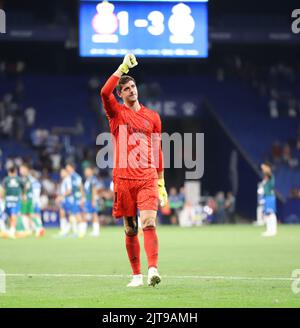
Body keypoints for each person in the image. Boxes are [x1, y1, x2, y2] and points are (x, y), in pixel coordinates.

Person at [100, 54, 168, 287]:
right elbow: (103, 92)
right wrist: (122, 67)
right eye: (126, 89)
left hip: (147, 178)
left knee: (149, 222)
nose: (131, 90)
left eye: (133, 86)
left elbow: (158, 150)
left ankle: (153, 270)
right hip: (123, 179)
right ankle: (137, 275)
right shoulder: (116, 113)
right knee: (130, 230)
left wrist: (161, 182)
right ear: (121, 94)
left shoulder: (153, 117)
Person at [2, 166, 24, 238]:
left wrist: (2, 198)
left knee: (9, 215)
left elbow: (2, 190)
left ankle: (10, 230)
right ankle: (12, 230)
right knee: (14, 215)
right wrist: (23, 195)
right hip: (16, 200)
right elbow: (24, 188)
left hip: (8, 200)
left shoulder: (6, 179)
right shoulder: (19, 179)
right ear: (15, 172)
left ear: (9, 172)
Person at [260, 163, 277, 237]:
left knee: (271, 213)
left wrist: (265, 167)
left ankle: (273, 230)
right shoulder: (266, 178)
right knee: (267, 214)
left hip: (270, 197)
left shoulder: (270, 176)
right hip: (266, 197)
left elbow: (268, 173)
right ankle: (269, 230)